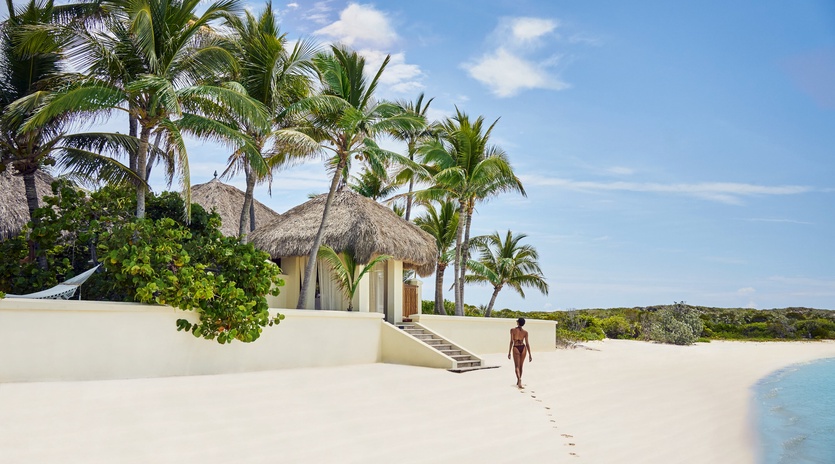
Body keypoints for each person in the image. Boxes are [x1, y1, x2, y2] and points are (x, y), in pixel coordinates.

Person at [508, 317, 532, 388]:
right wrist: (530, 354)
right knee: (521, 366)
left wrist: (509, 352)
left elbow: (511, 341)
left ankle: (519, 379)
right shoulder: (525, 332)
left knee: (517, 366)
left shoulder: (512, 330)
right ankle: (519, 381)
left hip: (516, 347)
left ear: (518, 322)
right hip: (523, 347)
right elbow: (527, 343)